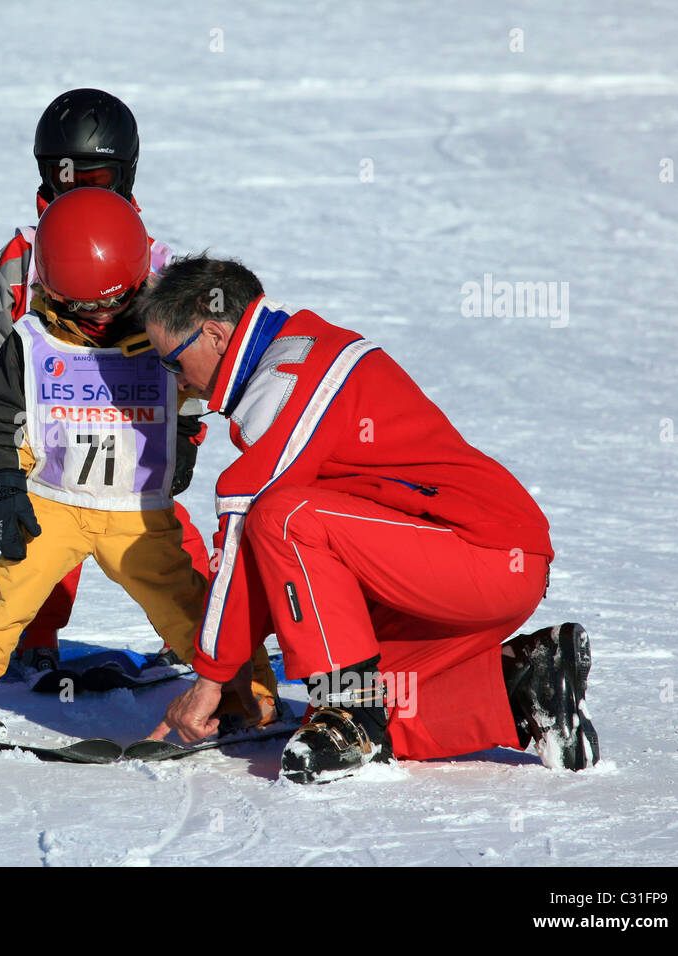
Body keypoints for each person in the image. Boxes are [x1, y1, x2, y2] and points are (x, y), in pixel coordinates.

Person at [139, 254, 599, 782]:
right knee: (350, 718)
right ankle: (525, 689)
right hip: (460, 563)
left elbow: (250, 527)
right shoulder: (296, 351)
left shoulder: (287, 380)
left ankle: (351, 716)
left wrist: (212, 679)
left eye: (171, 360)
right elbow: (273, 564)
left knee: (285, 517)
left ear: (216, 335)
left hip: (484, 556)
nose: (172, 379)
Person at [0, 191, 278, 729]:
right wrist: (6, 486)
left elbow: (191, 394)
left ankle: (244, 688)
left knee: (184, 601)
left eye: (114, 301)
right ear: (50, 289)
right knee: (10, 593)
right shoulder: (30, 342)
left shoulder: (160, 335)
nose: (100, 316)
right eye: (82, 306)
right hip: (53, 504)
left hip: (137, 511)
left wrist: (183, 444)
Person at [0, 88, 209, 678]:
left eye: (98, 178)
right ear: (47, 175)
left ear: (126, 177)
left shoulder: (153, 261)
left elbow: (185, 362)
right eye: (69, 178)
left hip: (130, 421)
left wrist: (187, 431)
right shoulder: (22, 261)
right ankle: (35, 634)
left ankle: (201, 632)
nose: (83, 193)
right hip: (43, 425)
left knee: (161, 532)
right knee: (41, 531)